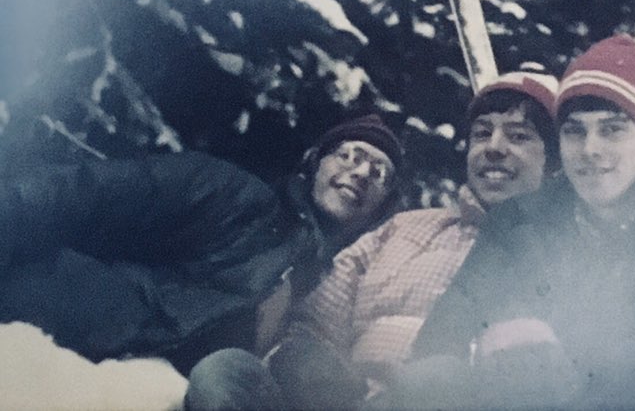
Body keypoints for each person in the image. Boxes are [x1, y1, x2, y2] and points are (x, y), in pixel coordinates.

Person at [406, 35, 635, 409]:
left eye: (612, 129)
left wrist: (575, 391)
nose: (590, 150)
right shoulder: (518, 223)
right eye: (574, 131)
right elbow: (443, 338)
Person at [184, 72, 558, 411]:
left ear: (553, 161)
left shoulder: (557, 250)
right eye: (481, 133)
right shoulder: (405, 228)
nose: (493, 147)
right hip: (346, 398)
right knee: (224, 372)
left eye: (519, 136)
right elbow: (315, 325)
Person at [0, 113, 403, 374]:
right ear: (313, 164)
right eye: (348, 155)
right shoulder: (237, 195)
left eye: (379, 173)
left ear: (382, 210)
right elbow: (89, 191)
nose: (361, 172)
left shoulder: (333, 291)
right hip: (70, 331)